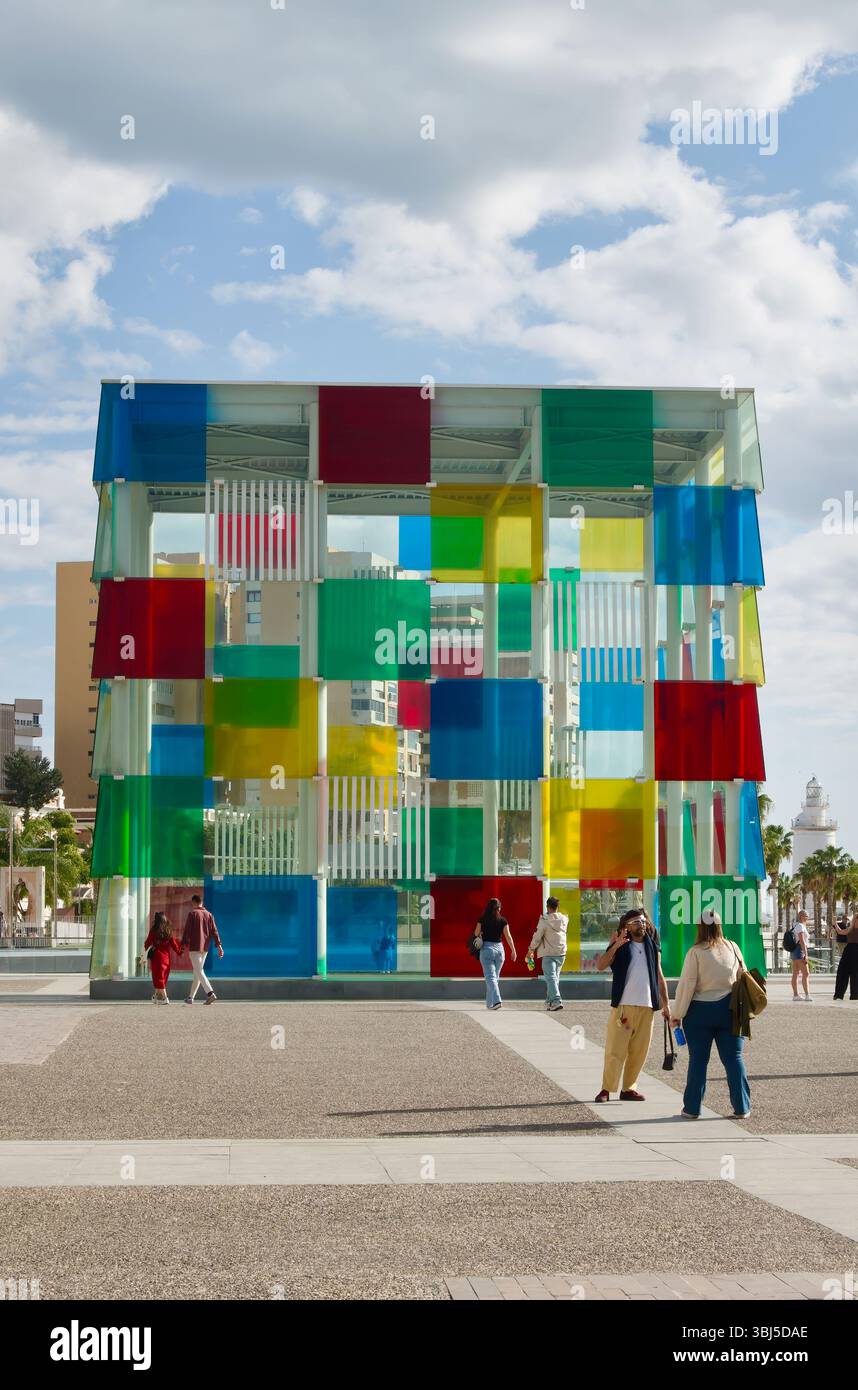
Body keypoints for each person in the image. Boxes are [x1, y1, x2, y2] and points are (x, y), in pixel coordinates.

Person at [671, 908, 752, 1119]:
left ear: (700, 928)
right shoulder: (733, 947)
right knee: (734, 1059)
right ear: (719, 926)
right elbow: (742, 976)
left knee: (698, 1060)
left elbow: (687, 986)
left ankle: (692, 1108)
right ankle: (742, 1107)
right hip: (730, 1011)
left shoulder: (695, 952)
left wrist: (677, 1014)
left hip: (699, 1013)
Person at [593, 908, 670, 1102]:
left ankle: (628, 1088)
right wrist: (615, 945)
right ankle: (606, 1089)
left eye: (643, 922)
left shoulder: (652, 947)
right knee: (615, 1050)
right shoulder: (621, 945)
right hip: (624, 1007)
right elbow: (600, 965)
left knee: (639, 1051)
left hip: (647, 1006)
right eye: (637, 922)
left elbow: (659, 976)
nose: (641, 925)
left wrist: (666, 1004)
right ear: (627, 926)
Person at [473, 897, 517, 1010]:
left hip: (487, 949)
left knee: (491, 978)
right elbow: (508, 936)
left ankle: (497, 1001)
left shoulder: (482, 919)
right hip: (500, 950)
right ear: (499, 908)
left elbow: (476, 933)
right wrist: (513, 950)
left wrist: (482, 931)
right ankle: (489, 1004)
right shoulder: (503, 920)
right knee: (494, 978)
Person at [526, 896, 568, 1012]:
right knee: (554, 978)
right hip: (561, 952)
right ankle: (549, 1002)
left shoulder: (544, 920)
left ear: (548, 907)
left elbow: (537, 937)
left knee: (551, 978)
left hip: (549, 953)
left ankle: (556, 1000)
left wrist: (531, 950)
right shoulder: (564, 919)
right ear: (557, 907)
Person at [181, 892, 224, 1005]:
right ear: (202, 902)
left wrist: (182, 944)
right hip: (204, 948)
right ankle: (190, 997)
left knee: (199, 971)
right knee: (197, 972)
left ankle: (210, 993)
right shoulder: (209, 915)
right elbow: (214, 931)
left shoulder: (192, 914)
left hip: (195, 946)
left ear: (193, 903)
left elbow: (187, 931)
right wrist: (219, 945)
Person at [141, 911, 182, 1005]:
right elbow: (175, 945)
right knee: (162, 979)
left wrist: (143, 956)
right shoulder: (168, 930)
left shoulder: (154, 930)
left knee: (158, 978)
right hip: (166, 959)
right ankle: (155, 997)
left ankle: (165, 998)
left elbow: (146, 943)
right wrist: (181, 952)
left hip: (156, 958)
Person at [833, 912, 858, 1002]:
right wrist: (835, 923)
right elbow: (840, 932)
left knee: (855, 974)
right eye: (856, 918)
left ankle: (855, 995)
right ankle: (839, 995)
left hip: (854, 950)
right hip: (849, 950)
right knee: (842, 971)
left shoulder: (850, 928)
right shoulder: (850, 928)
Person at [790, 909, 812, 1002]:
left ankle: (796, 995)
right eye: (806, 916)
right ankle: (807, 995)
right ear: (801, 916)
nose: (807, 918)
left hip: (794, 950)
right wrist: (806, 954)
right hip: (800, 950)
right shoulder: (800, 926)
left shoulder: (796, 925)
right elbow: (802, 941)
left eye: (807, 916)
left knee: (795, 973)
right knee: (806, 973)